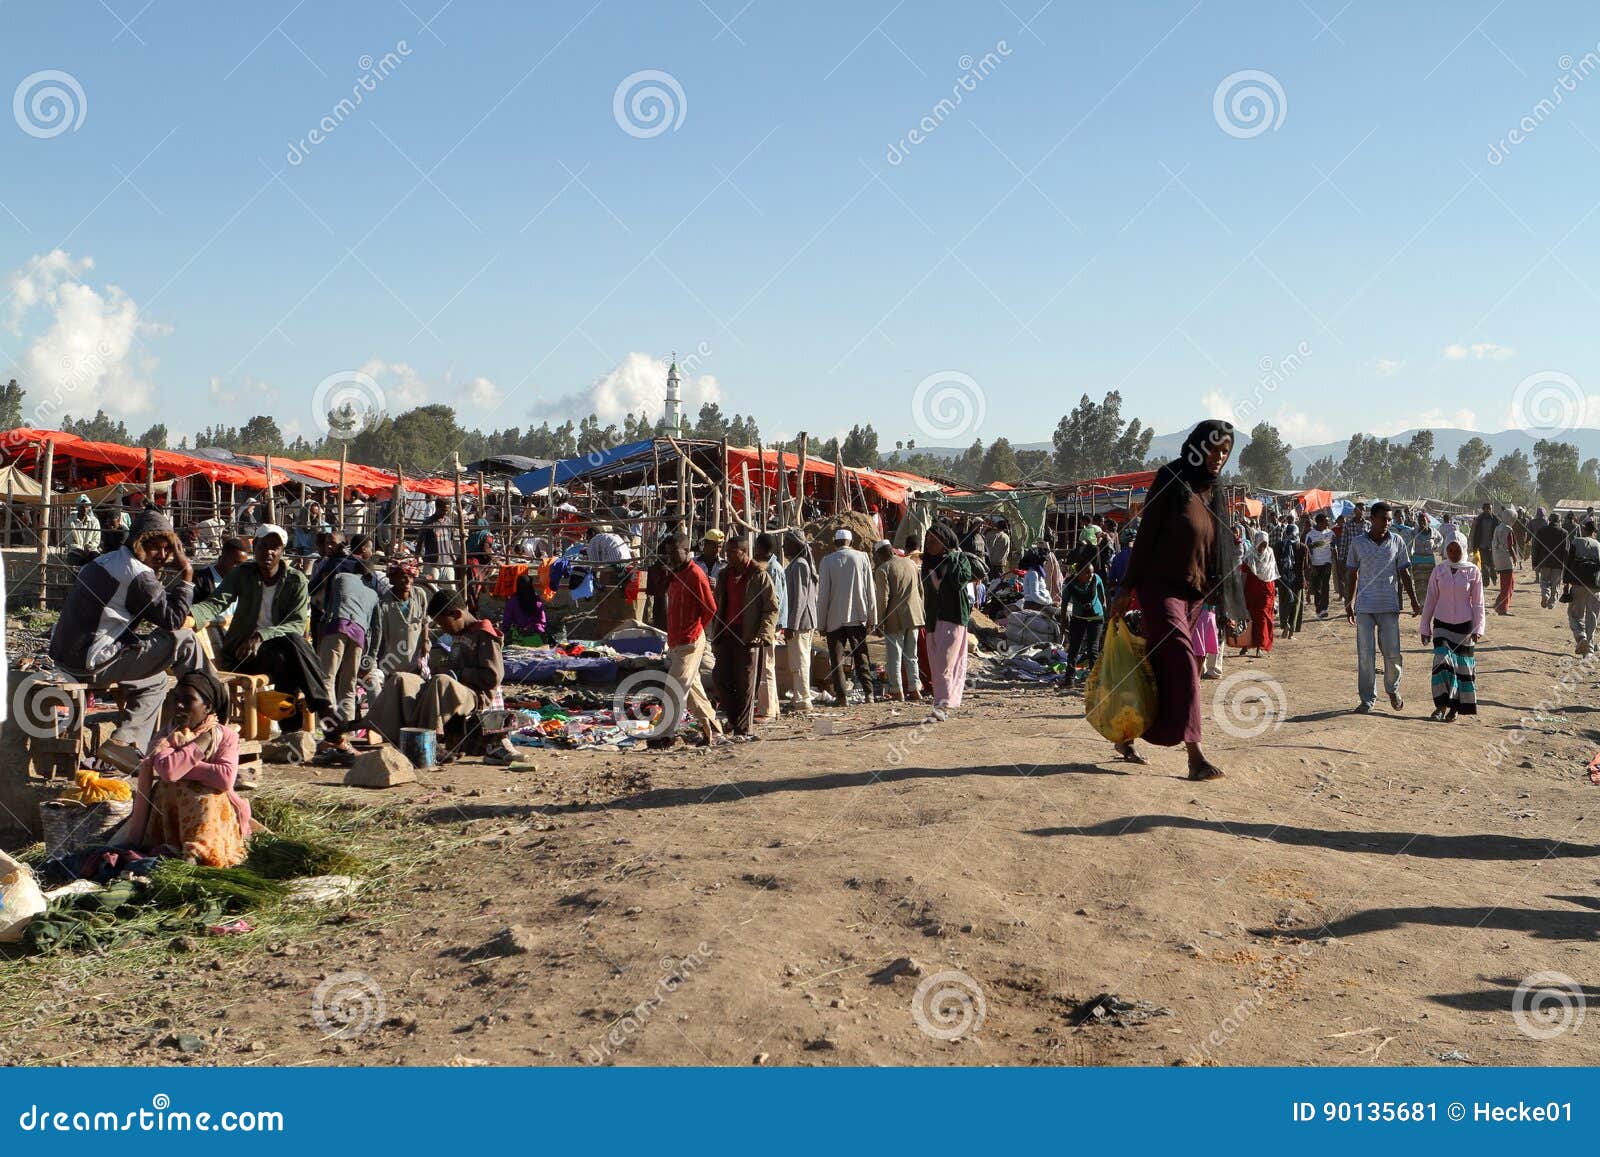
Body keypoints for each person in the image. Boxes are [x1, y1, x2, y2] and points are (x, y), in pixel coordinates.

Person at [1111, 419, 1244, 779]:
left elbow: (1219, 550)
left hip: (1195, 595)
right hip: (1159, 588)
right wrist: (1127, 588)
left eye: (1225, 451)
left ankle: (1126, 733)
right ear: (1198, 445)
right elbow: (1147, 536)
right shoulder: (1171, 479)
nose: (1219, 456)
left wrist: (1223, 603)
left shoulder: (1214, 490)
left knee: (1160, 670)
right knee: (1186, 663)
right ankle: (1195, 756)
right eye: (1214, 448)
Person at [48, 509, 210, 765]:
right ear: (138, 544)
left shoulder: (104, 561)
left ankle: (123, 743)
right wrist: (187, 574)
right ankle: (208, 716)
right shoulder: (138, 574)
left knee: (155, 682)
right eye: (155, 548)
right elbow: (173, 620)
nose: (163, 556)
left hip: (68, 658)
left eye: (167, 549)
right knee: (184, 638)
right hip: (93, 661)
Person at [329, 589, 516, 765]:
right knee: (401, 679)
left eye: (443, 624)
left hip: (475, 698)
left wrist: (456, 674)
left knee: (440, 682)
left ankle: (431, 742)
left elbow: (493, 676)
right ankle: (370, 724)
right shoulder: (460, 635)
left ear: (457, 614)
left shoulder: (484, 634)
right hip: (450, 690)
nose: (443, 630)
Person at [190, 524, 331, 730]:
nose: (269, 552)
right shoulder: (242, 574)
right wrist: (192, 614)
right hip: (242, 654)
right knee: (292, 646)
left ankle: (291, 731)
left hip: (276, 652)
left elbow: (298, 623)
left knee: (288, 651)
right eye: (264, 545)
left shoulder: (295, 580)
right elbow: (216, 603)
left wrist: (261, 635)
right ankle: (322, 706)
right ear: (254, 546)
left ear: (282, 552)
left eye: (275, 547)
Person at [124, 670, 250, 867]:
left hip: (210, 815)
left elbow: (225, 779)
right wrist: (200, 747)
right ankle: (173, 845)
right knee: (170, 787)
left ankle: (200, 851)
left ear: (207, 707)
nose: (179, 705)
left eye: (188, 700)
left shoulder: (225, 736)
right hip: (172, 810)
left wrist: (187, 759)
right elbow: (169, 772)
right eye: (176, 699)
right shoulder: (165, 735)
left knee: (208, 796)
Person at [1344, 501, 1421, 714]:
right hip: (1365, 607)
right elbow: (1352, 574)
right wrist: (1348, 603)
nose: (1387, 523)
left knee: (1392, 653)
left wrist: (1414, 600)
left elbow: (1405, 573)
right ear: (1372, 519)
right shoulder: (1358, 543)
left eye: (1389, 519)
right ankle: (1367, 699)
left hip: (1389, 606)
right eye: (1384, 519)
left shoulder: (1397, 542)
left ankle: (1392, 689)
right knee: (1366, 654)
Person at [656, 534, 723, 747]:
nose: (671, 557)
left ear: (686, 552)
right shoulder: (675, 574)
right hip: (677, 640)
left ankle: (665, 735)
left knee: (674, 687)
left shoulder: (695, 574)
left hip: (690, 640)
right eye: (668, 553)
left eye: (675, 553)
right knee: (693, 690)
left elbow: (710, 608)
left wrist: (694, 630)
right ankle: (713, 729)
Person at [710, 534, 779, 739]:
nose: (728, 556)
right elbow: (719, 604)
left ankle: (743, 727)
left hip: (748, 635)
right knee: (721, 678)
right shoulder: (724, 575)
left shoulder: (759, 575)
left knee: (746, 684)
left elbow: (771, 608)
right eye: (727, 552)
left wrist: (763, 634)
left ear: (744, 553)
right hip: (726, 634)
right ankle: (733, 719)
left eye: (732, 552)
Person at [1419, 538, 1485, 722]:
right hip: (1442, 625)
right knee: (1442, 662)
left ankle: (1454, 708)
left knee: (1460, 669)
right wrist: (1424, 627)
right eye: (1450, 550)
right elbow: (1431, 599)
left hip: (1465, 626)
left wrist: (1478, 628)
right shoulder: (1439, 570)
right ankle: (1440, 706)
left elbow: (1478, 603)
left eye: (1457, 550)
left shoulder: (1473, 571)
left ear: (1463, 549)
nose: (1453, 554)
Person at [317, 560, 382, 732]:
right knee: (349, 683)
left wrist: (321, 633)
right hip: (359, 636)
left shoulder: (341, 577)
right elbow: (377, 629)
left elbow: (330, 607)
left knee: (327, 678)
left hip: (338, 627)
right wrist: (371, 657)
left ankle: (328, 727)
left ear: (355, 570)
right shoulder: (374, 595)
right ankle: (346, 727)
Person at [818, 529, 878, 705]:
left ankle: (842, 696)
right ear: (850, 542)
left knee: (836, 660)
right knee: (862, 657)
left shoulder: (827, 561)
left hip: (834, 619)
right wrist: (872, 618)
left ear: (836, 543)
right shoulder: (862, 558)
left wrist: (821, 623)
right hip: (858, 616)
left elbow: (823, 595)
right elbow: (870, 590)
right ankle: (869, 694)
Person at [921, 522, 974, 721]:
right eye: (928, 541)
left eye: (934, 541)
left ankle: (941, 705)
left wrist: (951, 559)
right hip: (933, 619)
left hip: (953, 618)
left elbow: (961, 580)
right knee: (936, 664)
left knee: (944, 662)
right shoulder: (927, 563)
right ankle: (944, 701)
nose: (929, 545)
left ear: (945, 542)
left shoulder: (960, 560)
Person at [873, 540, 925, 702]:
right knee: (912, 655)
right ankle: (915, 689)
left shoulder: (883, 569)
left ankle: (897, 691)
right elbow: (921, 591)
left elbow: (883, 599)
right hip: (915, 616)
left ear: (880, 555)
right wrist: (921, 613)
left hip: (895, 619)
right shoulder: (910, 564)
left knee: (894, 657)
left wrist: (880, 622)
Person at [780, 532, 819, 714]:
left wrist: (791, 625)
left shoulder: (801, 565)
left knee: (800, 660)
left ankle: (803, 700)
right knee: (797, 661)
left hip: (801, 622)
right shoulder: (797, 564)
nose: (784, 547)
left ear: (796, 545)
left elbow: (800, 600)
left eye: (787, 543)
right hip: (799, 621)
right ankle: (799, 697)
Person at [373, 560, 430, 677]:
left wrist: (425, 642)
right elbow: (380, 635)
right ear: (393, 580)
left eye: (410, 577)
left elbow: (425, 621)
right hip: (393, 664)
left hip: (415, 662)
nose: (408, 581)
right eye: (403, 577)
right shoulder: (384, 603)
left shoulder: (420, 595)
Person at [752, 533, 788, 720]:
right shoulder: (772, 567)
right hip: (771, 625)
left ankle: (767, 710)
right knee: (768, 666)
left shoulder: (772, 569)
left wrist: (771, 626)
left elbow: (776, 601)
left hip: (769, 625)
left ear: (761, 548)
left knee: (765, 667)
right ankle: (773, 708)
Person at [1232, 528, 1277, 656]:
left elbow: (1273, 573)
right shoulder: (1250, 556)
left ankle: (1260, 646)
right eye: (1261, 544)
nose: (1262, 547)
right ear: (1256, 542)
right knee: (1249, 619)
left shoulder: (1270, 554)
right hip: (1251, 593)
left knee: (1263, 618)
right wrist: (1240, 591)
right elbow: (1244, 575)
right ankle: (1246, 645)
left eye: (1265, 544)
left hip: (1267, 593)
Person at [1061, 560, 1106, 686]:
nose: (1090, 576)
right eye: (1087, 573)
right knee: (1074, 648)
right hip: (1078, 618)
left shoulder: (1096, 578)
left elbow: (1103, 598)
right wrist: (1063, 623)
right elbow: (1064, 604)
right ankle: (1069, 679)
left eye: (1091, 573)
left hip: (1096, 619)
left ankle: (1096, 681)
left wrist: (1105, 615)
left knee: (1093, 649)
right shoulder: (1069, 584)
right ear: (1079, 573)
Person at [1562, 520, 1600, 656]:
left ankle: (1580, 637)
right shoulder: (1599, 545)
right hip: (1595, 586)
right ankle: (1588, 650)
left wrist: (1566, 582)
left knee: (1574, 614)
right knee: (1592, 616)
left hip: (1578, 583)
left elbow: (1568, 562)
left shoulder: (1576, 542)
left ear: (1583, 530)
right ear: (1594, 532)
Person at [1532, 510, 1570, 610]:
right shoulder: (1564, 533)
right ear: (1559, 521)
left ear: (1549, 520)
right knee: (1556, 583)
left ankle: (1545, 595)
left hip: (1544, 562)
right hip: (1558, 563)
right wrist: (1567, 566)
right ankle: (1552, 602)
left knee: (1544, 581)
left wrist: (1535, 563)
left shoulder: (1541, 531)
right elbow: (1566, 551)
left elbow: (1535, 548)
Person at [1273, 518, 1304, 639]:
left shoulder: (1278, 546)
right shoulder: (1302, 547)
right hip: (1297, 580)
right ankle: (1291, 632)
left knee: (1284, 603)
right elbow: (1305, 566)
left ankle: (1285, 624)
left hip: (1282, 580)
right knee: (1295, 605)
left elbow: (1275, 564)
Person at [418, 498, 458, 585]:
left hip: (447, 562)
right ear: (437, 508)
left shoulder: (449, 522)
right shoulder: (428, 523)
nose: (445, 512)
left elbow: (449, 542)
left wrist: (453, 558)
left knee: (451, 587)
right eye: (443, 510)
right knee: (433, 589)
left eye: (447, 510)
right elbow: (420, 542)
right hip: (432, 563)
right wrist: (418, 557)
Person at [501, 571, 548, 645]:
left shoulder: (513, 601)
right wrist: (534, 628)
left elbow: (507, 621)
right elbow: (543, 622)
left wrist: (505, 633)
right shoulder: (536, 600)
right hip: (536, 639)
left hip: (518, 639)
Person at [1304, 512, 1335, 618]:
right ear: (1320, 523)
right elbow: (1307, 552)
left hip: (1327, 563)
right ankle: (1319, 609)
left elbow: (1334, 548)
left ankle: (1325, 608)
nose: (1328, 523)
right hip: (1315, 564)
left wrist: (1336, 562)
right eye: (1326, 521)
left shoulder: (1331, 533)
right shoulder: (1310, 535)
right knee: (1317, 588)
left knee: (1326, 586)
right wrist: (1311, 566)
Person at [1409, 511, 1442, 607]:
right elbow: (1409, 543)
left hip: (1430, 561)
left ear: (1428, 521)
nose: (1421, 523)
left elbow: (1441, 539)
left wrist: (1436, 546)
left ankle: (1429, 604)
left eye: (1423, 520)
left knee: (1430, 584)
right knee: (1419, 584)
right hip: (1417, 561)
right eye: (1419, 521)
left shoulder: (1433, 532)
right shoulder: (1414, 532)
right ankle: (1421, 604)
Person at [1491, 505, 1519, 615]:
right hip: (1506, 559)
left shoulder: (1498, 527)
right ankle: (1503, 608)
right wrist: (1515, 557)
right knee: (1507, 585)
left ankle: (1499, 603)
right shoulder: (1508, 529)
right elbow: (1510, 545)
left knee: (1508, 583)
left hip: (1498, 557)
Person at [1338, 502, 1367, 600]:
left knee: (1363, 583)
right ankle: (1348, 604)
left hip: (1365, 559)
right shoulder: (1347, 525)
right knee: (1349, 583)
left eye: (1364, 510)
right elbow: (1343, 543)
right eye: (1360, 509)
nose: (1362, 511)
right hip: (1350, 558)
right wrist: (1341, 559)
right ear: (1355, 511)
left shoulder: (1368, 525)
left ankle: (1358, 607)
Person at [62, 495, 102, 565]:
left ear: (89, 507)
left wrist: (89, 547)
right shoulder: (70, 521)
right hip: (75, 551)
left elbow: (96, 540)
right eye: (81, 506)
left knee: (96, 561)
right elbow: (69, 540)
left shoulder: (94, 521)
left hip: (91, 551)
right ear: (77, 507)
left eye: (86, 506)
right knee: (74, 559)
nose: (84, 508)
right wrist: (80, 549)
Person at [1470, 501, 1498, 578]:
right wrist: (1474, 546)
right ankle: (1485, 580)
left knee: (1492, 563)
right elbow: (1474, 533)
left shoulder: (1495, 520)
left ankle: (1493, 576)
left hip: (1492, 545)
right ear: (1484, 509)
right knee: (1483, 563)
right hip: (1481, 545)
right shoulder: (1478, 520)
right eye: (1487, 508)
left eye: (1490, 509)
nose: (1489, 510)